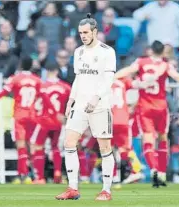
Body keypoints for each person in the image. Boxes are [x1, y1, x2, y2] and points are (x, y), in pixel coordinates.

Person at [115, 40, 179, 187]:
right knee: (162, 139)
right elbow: (178, 77)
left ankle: (154, 169)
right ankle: (161, 173)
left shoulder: (141, 62)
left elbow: (128, 70)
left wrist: (113, 76)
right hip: (161, 107)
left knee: (148, 140)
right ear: (162, 52)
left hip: (144, 107)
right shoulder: (165, 65)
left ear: (150, 51)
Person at [55, 13, 116, 201]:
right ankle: (73, 188)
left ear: (95, 32)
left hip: (100, 105)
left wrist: (96, 98)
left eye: (86, 32)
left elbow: (108, 79)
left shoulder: (107, 51)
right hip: (80, 104)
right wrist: (71, 100)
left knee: (104, 147)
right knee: (69, 142)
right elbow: (78, 78)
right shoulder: (79, 52)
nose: (83, 36)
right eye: (81, 33)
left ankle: (106, 190)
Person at [0, 57, 56, 184]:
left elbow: (2, 93)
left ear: (21, 65)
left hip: (20, 116)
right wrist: (54, 112)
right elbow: (45, 98)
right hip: (32, 116)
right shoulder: (37, 80)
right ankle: (38, 176)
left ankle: (23, 175)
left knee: (21, 146)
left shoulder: (15, 78)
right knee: (33, 146)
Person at [31, 64, 71, 184]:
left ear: (47, 72)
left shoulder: (42, 86)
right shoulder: (65, 87)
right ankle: (57, 172)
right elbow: (72, 102)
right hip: (58, 122)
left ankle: (40, 177)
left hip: (44, 121)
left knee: (38, 147)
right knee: (55, 147)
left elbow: (37, 104)